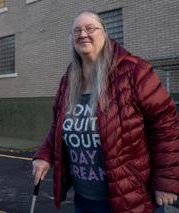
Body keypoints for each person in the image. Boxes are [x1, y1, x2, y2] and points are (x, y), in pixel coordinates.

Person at [32, 11, 179, 213]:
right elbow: (59, 125)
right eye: (77, 31)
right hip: (84, 200)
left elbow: (166, 126)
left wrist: (167, 181)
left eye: (90, 28)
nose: (83, 34)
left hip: (131, 200)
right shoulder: (69, 79)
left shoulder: (134, 71)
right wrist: (45, 155)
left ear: (105, 34)